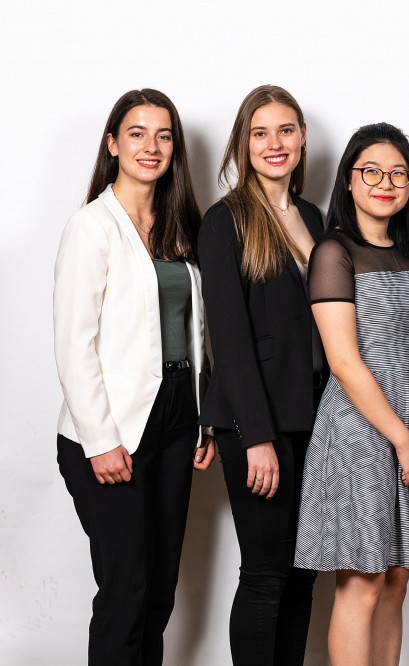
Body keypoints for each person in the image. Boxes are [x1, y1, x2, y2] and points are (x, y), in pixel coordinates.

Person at [54, 88, 214, 665]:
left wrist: (204, 421)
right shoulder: (92, 227)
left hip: (175, 419)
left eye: (164, 135)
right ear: (113, 144)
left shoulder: (179, 227)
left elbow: (195, 335)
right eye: (138, 133)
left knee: (160, 588)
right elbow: (74, 345)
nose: (152, 146)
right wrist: (101, 441)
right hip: (110, 429)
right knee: (127, 588)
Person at [295, 122, 409, 666]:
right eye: (372, 171)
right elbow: (343, 361)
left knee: (397, 579)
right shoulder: (334, 252)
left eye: (399, 173)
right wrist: (404, 441)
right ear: (350, 182)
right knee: (362, 580)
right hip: (358, 432)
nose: (386, 182)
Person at [198, 84, 325, 666]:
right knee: (267, 573)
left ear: (301, 139)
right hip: (257, 424)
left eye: (286, 130)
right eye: (260, 132)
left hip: (314, 418)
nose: (274, 144)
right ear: (243, 144)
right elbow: (228, 339)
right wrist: (256, 439)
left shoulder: (315, 217)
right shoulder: (224, 221)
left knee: (303, 575)